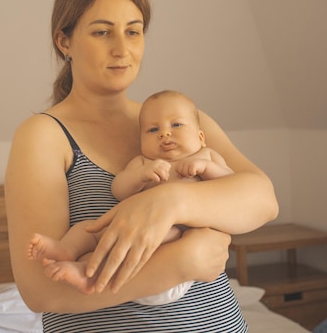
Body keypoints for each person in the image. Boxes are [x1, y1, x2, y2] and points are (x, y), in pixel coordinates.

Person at [4, 0, 279, 333]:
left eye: (133, 32)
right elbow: (40, 291)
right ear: (64, 41)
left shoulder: (176, 119)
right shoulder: (44, 135)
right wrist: (182, 260)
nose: (122, 49)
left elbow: (263, 199)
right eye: (102, 32)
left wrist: (170, 203)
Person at [27, 89, 234, 306]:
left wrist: (207, 168)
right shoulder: (143, 162)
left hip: (176, 242)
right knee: (91, 229)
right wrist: (140, 177)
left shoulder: (207, 155)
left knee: (162, 233)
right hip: (139, 254)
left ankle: (92, 273)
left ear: (200, 137)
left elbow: (231, 187)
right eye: (153, 130)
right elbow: (119, 189)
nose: (164, 134)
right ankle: (67, 251)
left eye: (176, 125)